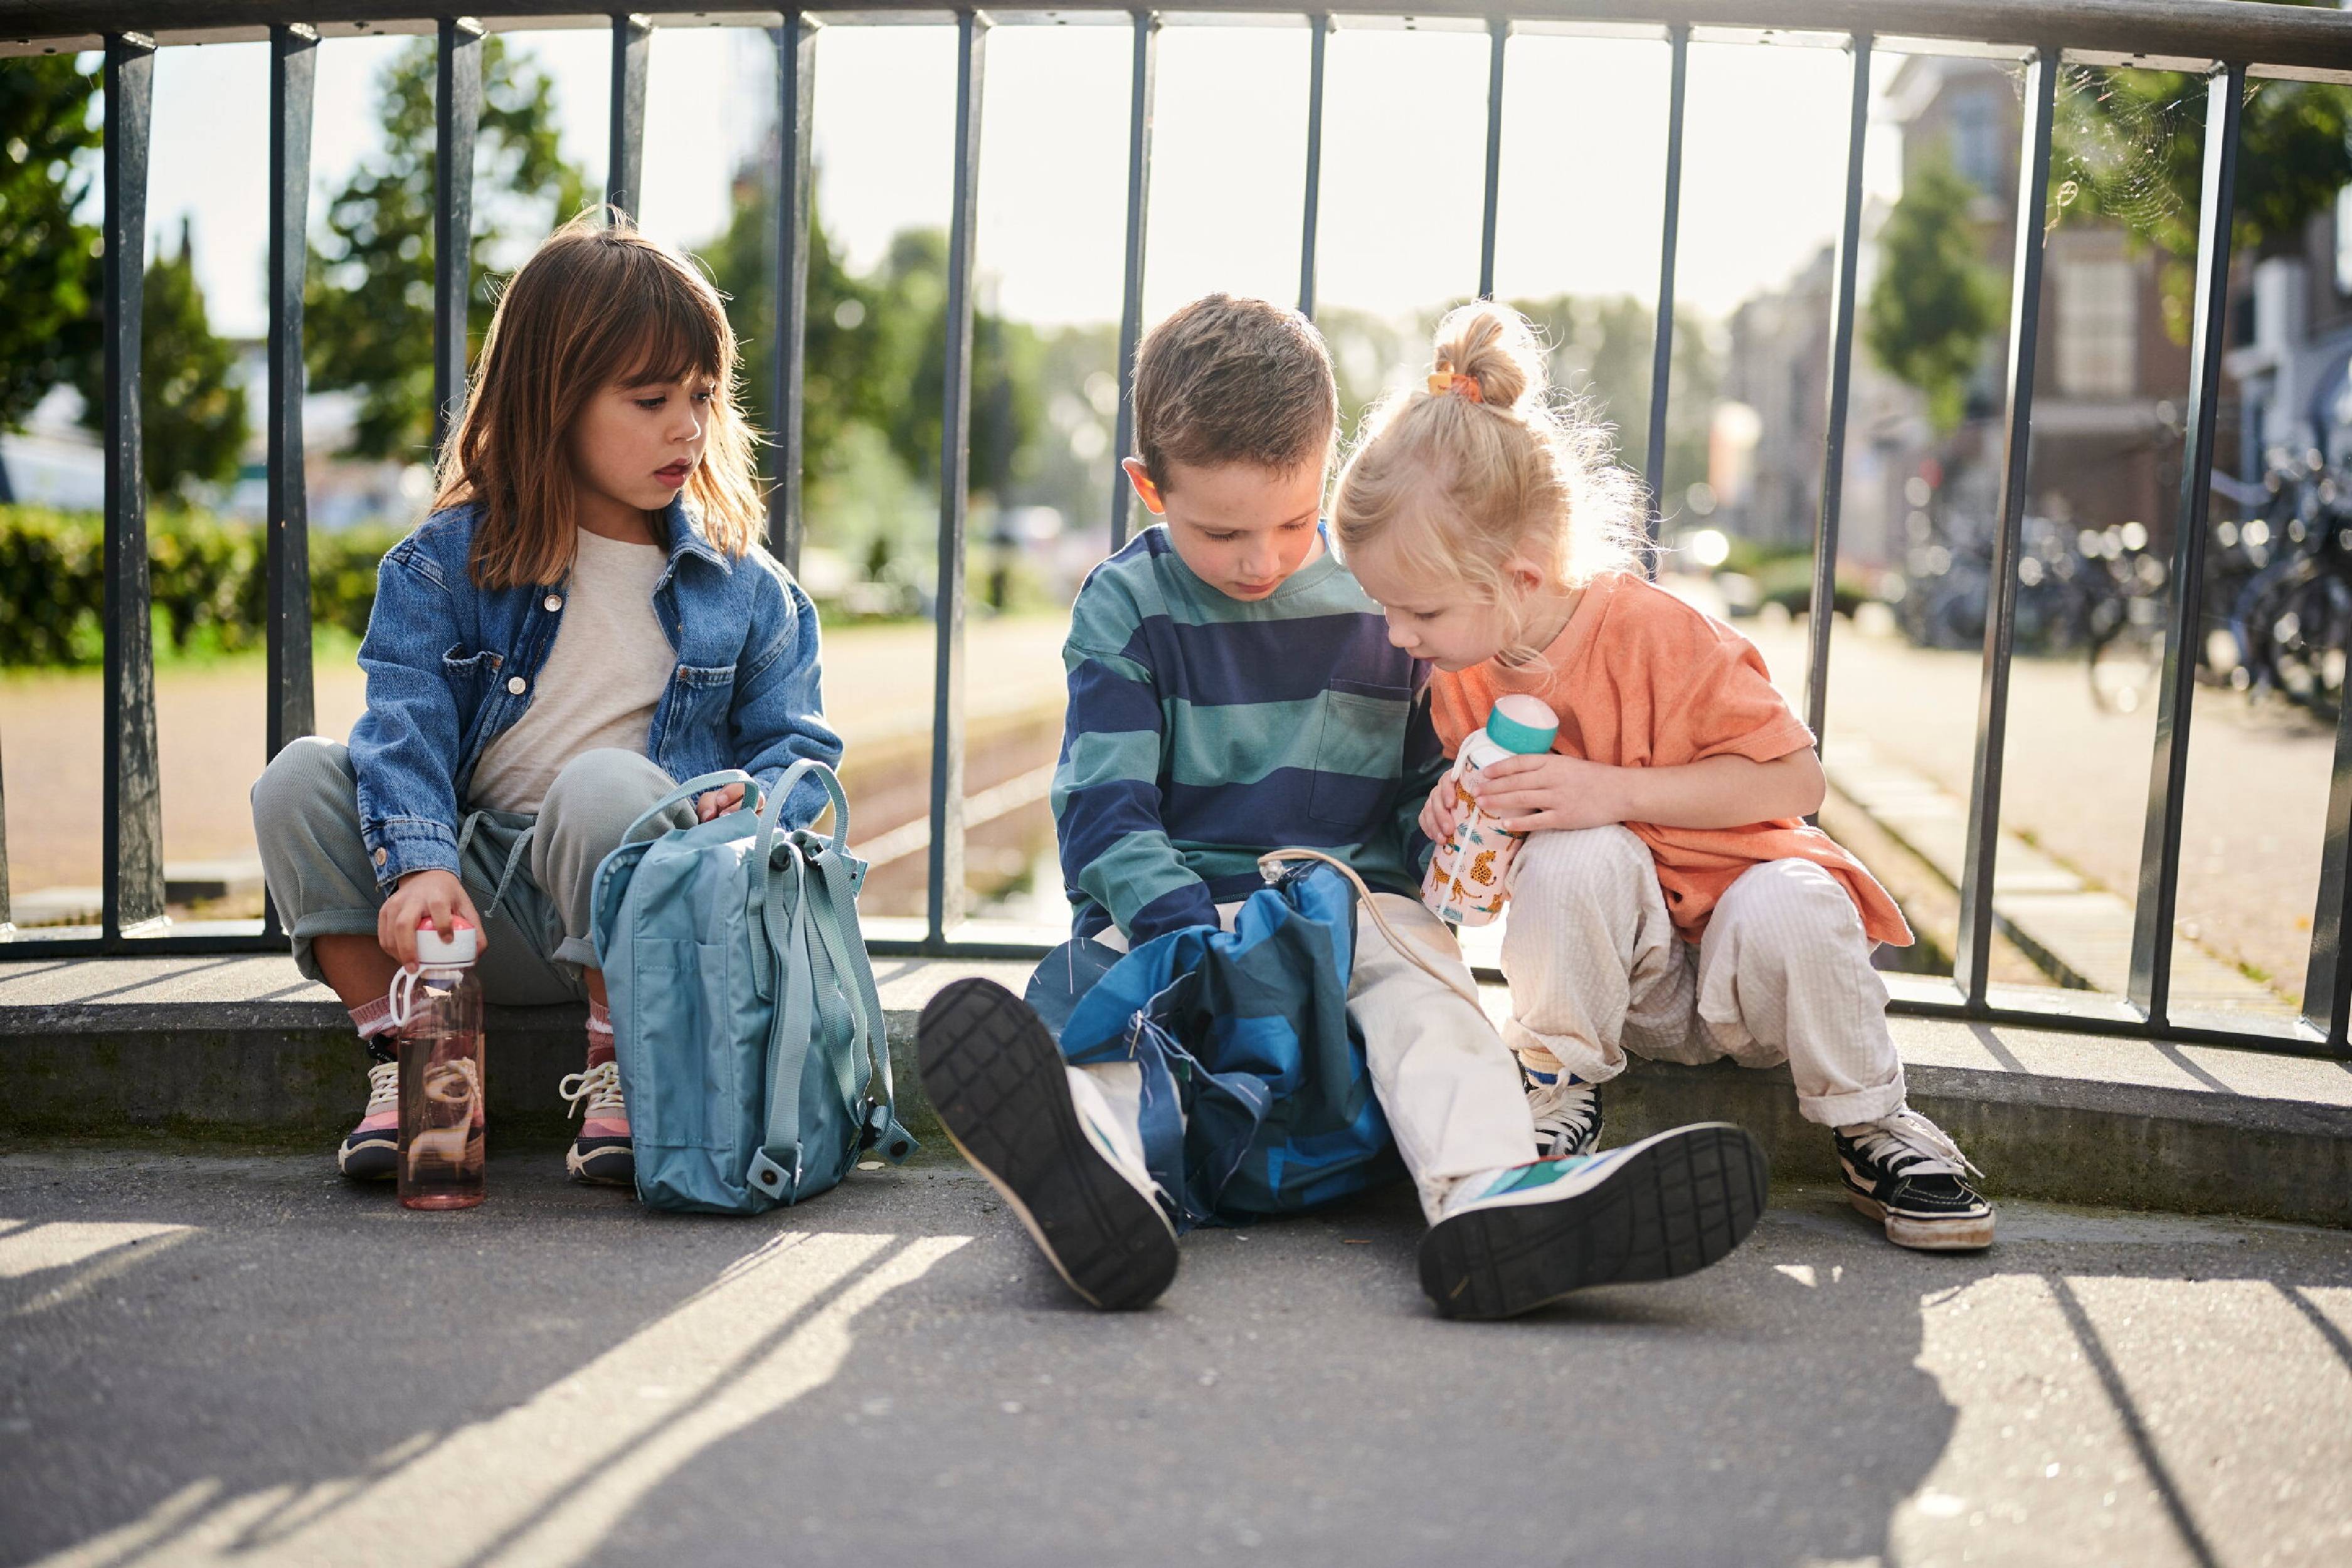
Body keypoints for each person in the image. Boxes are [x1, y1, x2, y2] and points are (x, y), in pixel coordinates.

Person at [918, 294, 1765, 1319]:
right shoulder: (1124, 606)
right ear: (1149, 488)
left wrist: (1444, 821)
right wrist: (1189, 931)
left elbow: (1415, 787)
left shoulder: (1383, 597)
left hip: (1348, 905)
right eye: (1219, 530)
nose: (1259, 559)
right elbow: (1104, 812)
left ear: (1324, 470)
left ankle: (1493, 1197)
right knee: (1112, 1016)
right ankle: (1098, 1177)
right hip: (1177, 912)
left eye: (1292, 518)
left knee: (1429, 1004)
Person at [1332, 301, 1994, 1252]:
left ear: (1518, 578)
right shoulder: (1463, 674)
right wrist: (1458, 805)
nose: (1398, 636)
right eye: (1385, 608)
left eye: (1418, 610)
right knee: (1573, 857)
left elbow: (1794, 781)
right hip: (1625, 984)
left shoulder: (1661, 635)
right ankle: (1558, 1085)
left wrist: (1612, 789)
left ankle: (1871, 1122)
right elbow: (1515, 840)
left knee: (1797, 899)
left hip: (1747, 967)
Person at [251, 214, 840, 1190]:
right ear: (550, 402)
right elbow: (403, 725)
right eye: (649, 399)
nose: (686, 428)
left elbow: (801, 755)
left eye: (700, 396)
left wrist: (752, 802)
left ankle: (627, 1068)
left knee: (606, 785)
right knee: (295, 782)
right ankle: (422, 1061)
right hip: (479, 916)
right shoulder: (446, 565)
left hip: (651, 914)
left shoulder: (748, 588)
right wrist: (419, 867)